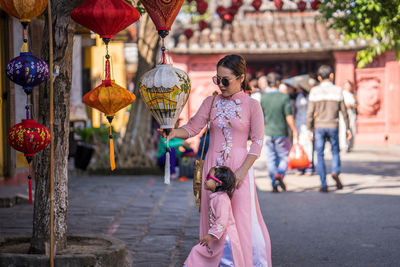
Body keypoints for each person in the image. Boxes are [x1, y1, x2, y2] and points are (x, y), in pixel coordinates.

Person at [163, 54, 271, 266]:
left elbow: (257, 143)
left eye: (225, 80)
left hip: (240, 169)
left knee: (241, 219)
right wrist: (174, 132)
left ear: (241, 78)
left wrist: (241, 172)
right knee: (214, 217)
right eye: (217, 79)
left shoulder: (252, 105)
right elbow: (193, 127)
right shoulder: (210, 102)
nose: (220, 85)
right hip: (213, 169)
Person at [184, 166, 245, 267]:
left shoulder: (222, 200)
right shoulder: (217, 197)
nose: (205, 179)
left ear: (218, 183)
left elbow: (222, 221)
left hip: (225, 240)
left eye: (209, 177)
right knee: (199, 251)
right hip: (218, 238)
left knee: (226, 262)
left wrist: (211, 235)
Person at [307, 65, 352, 193]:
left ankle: (323, 183)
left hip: (319, 126)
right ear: (332, 76)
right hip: (333, 125)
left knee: (320, 154)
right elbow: (344, 112)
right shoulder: (338, 90)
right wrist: (348, 129)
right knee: (335, 151)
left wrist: (309, 130)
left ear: (319, 77)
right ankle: (335, 171)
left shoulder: (314, 91)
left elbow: (310, 113)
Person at [260, 72, 298, 193]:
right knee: (284, 157)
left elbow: (261, 117)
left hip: (268, 132)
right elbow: (289, 116)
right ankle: (279, 174)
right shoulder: (284, 97)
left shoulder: (264, 97)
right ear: (278, 83)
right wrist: (294, 130)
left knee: (271, 158)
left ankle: (274, 179)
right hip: (281, 131)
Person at [339, 80, 357, 152]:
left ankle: (350, 145)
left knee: (352, 129)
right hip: (344, 113)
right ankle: (343, 145)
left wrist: (353, 105)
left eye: (349, 85)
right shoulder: (342, 94)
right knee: (344, 128)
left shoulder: (353, 94)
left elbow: (357, 103)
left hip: (351, 113)